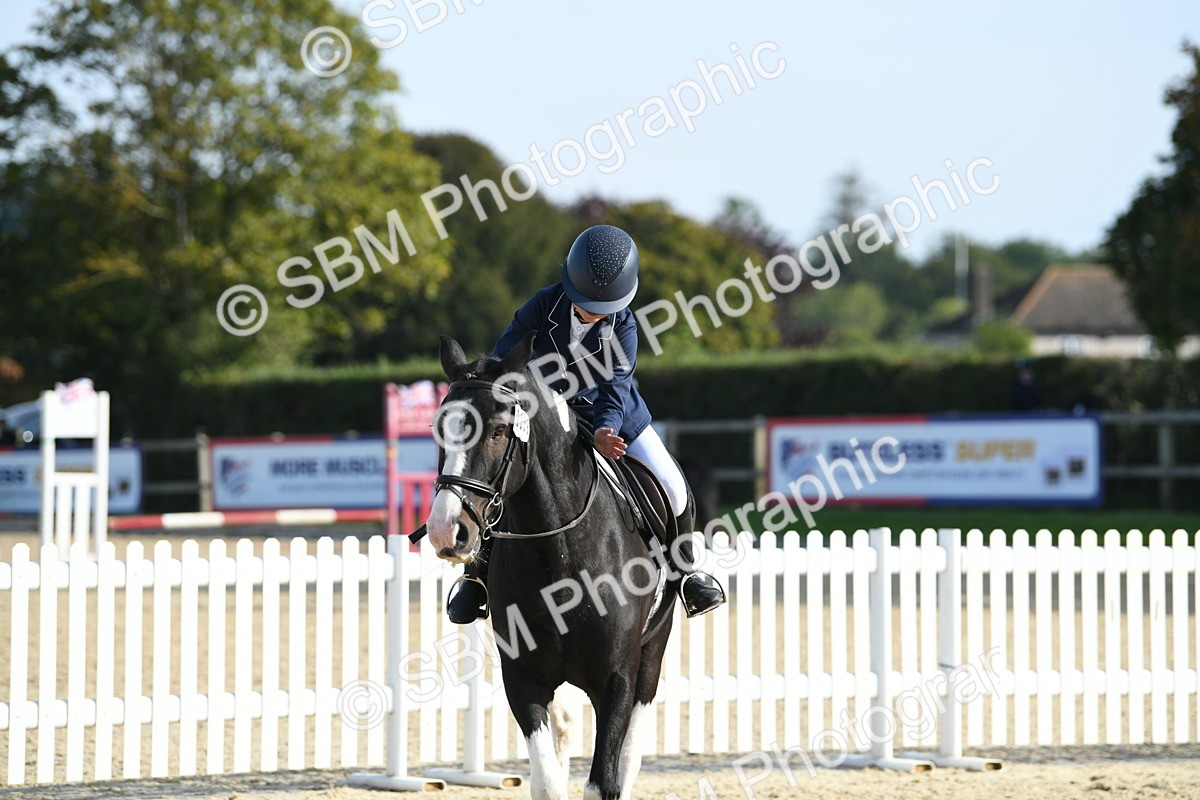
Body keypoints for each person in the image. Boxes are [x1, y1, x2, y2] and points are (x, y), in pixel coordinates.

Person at [446, 224, 727, 623]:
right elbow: (505, 357)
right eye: (585, 302)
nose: (594, 310)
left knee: (674, 486)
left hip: (610, 416)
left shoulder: (625, 326)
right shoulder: (544, 304)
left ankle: (686, 574)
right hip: (545, 412)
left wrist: (604, 430)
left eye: (604, 305)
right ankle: (476, 579)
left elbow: (616, 386)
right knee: (501, 476)